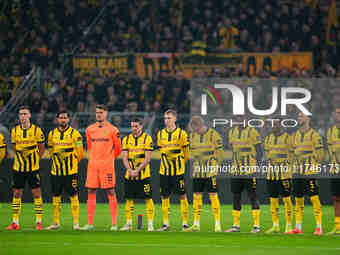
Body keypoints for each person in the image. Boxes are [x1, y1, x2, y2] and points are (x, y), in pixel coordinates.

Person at [80, 104, 122, 231]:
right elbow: (89, 146)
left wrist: (107, 159)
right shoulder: (89, 129)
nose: (99, 114)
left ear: (106, 114)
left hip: (107, 166)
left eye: (101, 112)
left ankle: (114, 224)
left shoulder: (113, 130)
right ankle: (90, 223)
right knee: (91, 191)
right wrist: (96, 159)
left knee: (111, 191)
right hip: (93, 165)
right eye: (97, 112)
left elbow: (118, 149)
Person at [7, 105, 45, 230]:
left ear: (29, 115)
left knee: (36, 193)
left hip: (33, 168)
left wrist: (35, 160)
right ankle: (15, 222)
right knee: (17, 193)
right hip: (18, 168)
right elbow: (14, 147)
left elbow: (41, 148)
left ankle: (38, 222)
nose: (23, 116)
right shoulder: (14, 131)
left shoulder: (37, 131)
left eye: (25, 114)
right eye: (21, 114)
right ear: (19, 117)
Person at [286, 112, 324, 235]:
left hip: (309, 172)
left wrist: (313, 165)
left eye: (301, 116)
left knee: (314, 198)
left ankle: (319, 227)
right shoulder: (294, 136)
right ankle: (298, 227)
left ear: (308, 118)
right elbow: (291, 154)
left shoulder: (315, 135)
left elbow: (321, 155)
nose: (299, 118)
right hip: (297, 173)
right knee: (298, 199)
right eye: (298, 116)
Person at [46, 110, 84, 230]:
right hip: (56, 172)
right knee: (56, 197)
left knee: (74, 196)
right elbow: (51, 151)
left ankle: (76, 223)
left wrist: (73, 163)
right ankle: (56, 222)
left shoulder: (76, 134)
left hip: (71, 172)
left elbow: (80, 153)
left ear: (68, 119)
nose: (63, 120)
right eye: (61, 118)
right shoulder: (52, 134)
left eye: (65, 118)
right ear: (57, 120)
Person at [185, 116, 223, 232]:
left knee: (213, 195)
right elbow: (191, 152)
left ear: (200, 125)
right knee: (197, 195)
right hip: (197, 170)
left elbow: (219, 153)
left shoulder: (214, 135)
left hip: (210, 170)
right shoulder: (192, 136)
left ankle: (217, 224)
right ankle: (196, 224)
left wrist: (215, 167)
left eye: (195, 129)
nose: (194, 131)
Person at [225, 116, 262, 233]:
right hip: (236, 171)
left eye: (242, 117)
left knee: (252, 196)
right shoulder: (232, 132)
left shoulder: (253, 132)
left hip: (249, 171)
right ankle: (236, 226)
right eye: (237, 117)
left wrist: (256, 166)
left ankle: (256, 226)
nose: (239, 119)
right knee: (236, 196)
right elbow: (233, 150)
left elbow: (259, 152)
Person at [157, 109, 189, 231]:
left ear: (175, 119)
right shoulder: (160, 134)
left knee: (182, 195)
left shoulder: (182, 134)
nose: (167, 120)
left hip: (178, 171)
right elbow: (162, 151)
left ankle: (185, 223)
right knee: (164, 196)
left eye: (169, 118)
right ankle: (166, 224)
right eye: (165, 118)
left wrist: (180, 164)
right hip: (164, 171)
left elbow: (186, 154)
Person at [120, 118, 155, 231]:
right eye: (132, 126)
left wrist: (137, 170)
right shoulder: (126, 139)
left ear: (141, 126)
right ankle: (128, 223)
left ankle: (150, 224)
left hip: (143, 175)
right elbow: (124, 157)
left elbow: (147, 158)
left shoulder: (147, 138)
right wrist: (130, 170)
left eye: (136, 126)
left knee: (148, 198)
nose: (134, 129)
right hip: (129, 174)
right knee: (129, 198)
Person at [264, 118, 293, 234]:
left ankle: (289, 225)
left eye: (276, 123)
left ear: (281, 124)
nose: (274, 125)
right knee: (273, 200)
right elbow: (267, 155)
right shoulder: (268, 138)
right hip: (271, 175)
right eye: (273, 123)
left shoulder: (288, 138)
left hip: (284, 174)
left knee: (286, 199)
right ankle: (275, 225)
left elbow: (291, 155)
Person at [326, 106, 340, 235]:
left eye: (339, 113)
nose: (337, 116)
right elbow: (329, 150)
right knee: (336, 198)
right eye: (336, 113)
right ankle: (337, 226)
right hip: (335, 168)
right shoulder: (330, 131)